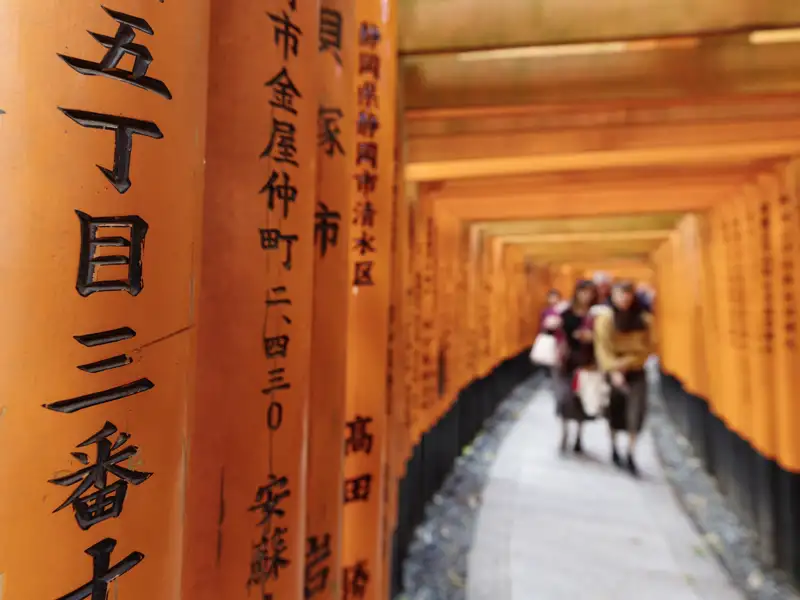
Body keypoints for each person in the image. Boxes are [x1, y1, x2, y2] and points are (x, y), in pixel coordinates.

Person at [593, 281, 657, 476]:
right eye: (620, 294)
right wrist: (614, 370)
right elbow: (602, 348)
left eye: (627, 294)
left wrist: (628, 363)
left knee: (636, 412)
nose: (624, 299)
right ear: (613, 296)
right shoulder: (605, 319)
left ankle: (630, 453)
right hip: (613, 372)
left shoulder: (644, 320)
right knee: (614, 410)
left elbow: (648, 347)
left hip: (635, 370)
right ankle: (614, 447)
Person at [552, 280, 599, 454]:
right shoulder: (565, 312)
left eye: (590, 292)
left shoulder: (596, 314)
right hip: (566, 361)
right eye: (583, 292)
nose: (586, 296)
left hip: (585, 360)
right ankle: (564, 432)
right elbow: (557, 332)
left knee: (582, 399)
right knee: (564, 397)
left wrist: (591, 337)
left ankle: (579, 436)